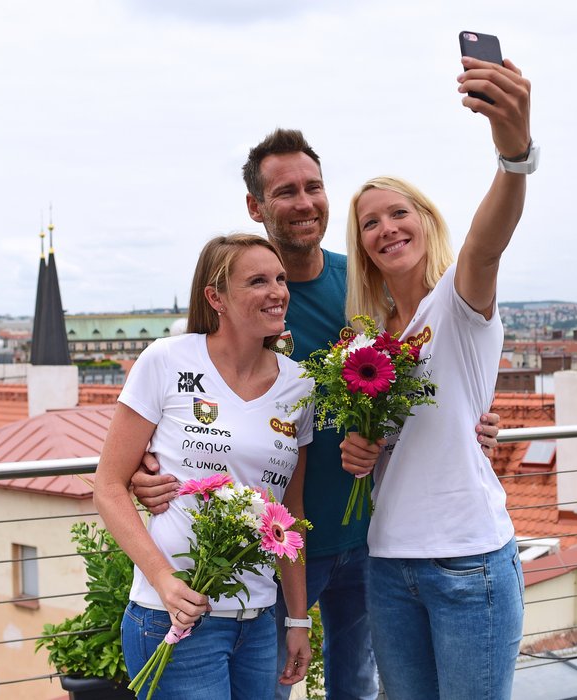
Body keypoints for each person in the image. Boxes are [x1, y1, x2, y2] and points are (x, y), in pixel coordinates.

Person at [132, 129, 503, 700]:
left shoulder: (365, 281)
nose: (304, 203)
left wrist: (476, 414)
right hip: (276, 549)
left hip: (373, 537)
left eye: (314, 187)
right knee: (275, 685)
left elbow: (436, 356)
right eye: (285, 192)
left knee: (355, 686)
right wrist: (144, 470)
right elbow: (193, 397)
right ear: (256, 208)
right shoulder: (242, 297)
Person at [339, 55, 534, 699]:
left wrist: (514, 154)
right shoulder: (367, 338)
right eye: (370, 223)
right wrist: (363, 450)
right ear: (361, 244)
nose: (387, 228)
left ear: (426, 219)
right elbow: (398, 440)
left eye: (400, 213)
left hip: (467, 560)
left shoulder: (457, 299)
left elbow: (488, 241)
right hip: (389, 560)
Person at [93, 234, 313, 699]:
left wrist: (297, 619)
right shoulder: (167, 360)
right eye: (257, 281)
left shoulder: (299, 386)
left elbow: (289, 514)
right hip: (174, 616)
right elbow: (109, 486)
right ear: (217, 298)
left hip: (258, 620)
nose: (277, 291)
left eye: (280, 279)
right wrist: (163, 580)